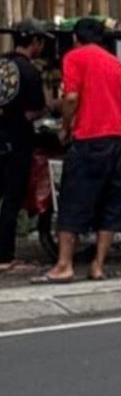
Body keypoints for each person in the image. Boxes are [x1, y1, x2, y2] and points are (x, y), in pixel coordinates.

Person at [35, 16, 121, 284]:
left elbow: (72, 97)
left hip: (90, 139)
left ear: (76, 39)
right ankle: (97, 265)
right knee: (110, 204)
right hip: (118, 139)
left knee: (73, 201)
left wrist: (65, 126)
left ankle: (64, 265)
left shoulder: (74, 58)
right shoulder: (116, 63)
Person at [0, 19, 49, 275]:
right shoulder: (29, 71)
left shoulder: (2, 63)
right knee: (11, 198)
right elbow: (35, 111)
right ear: (36, 42)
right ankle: (5, 257)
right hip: (16, 140)